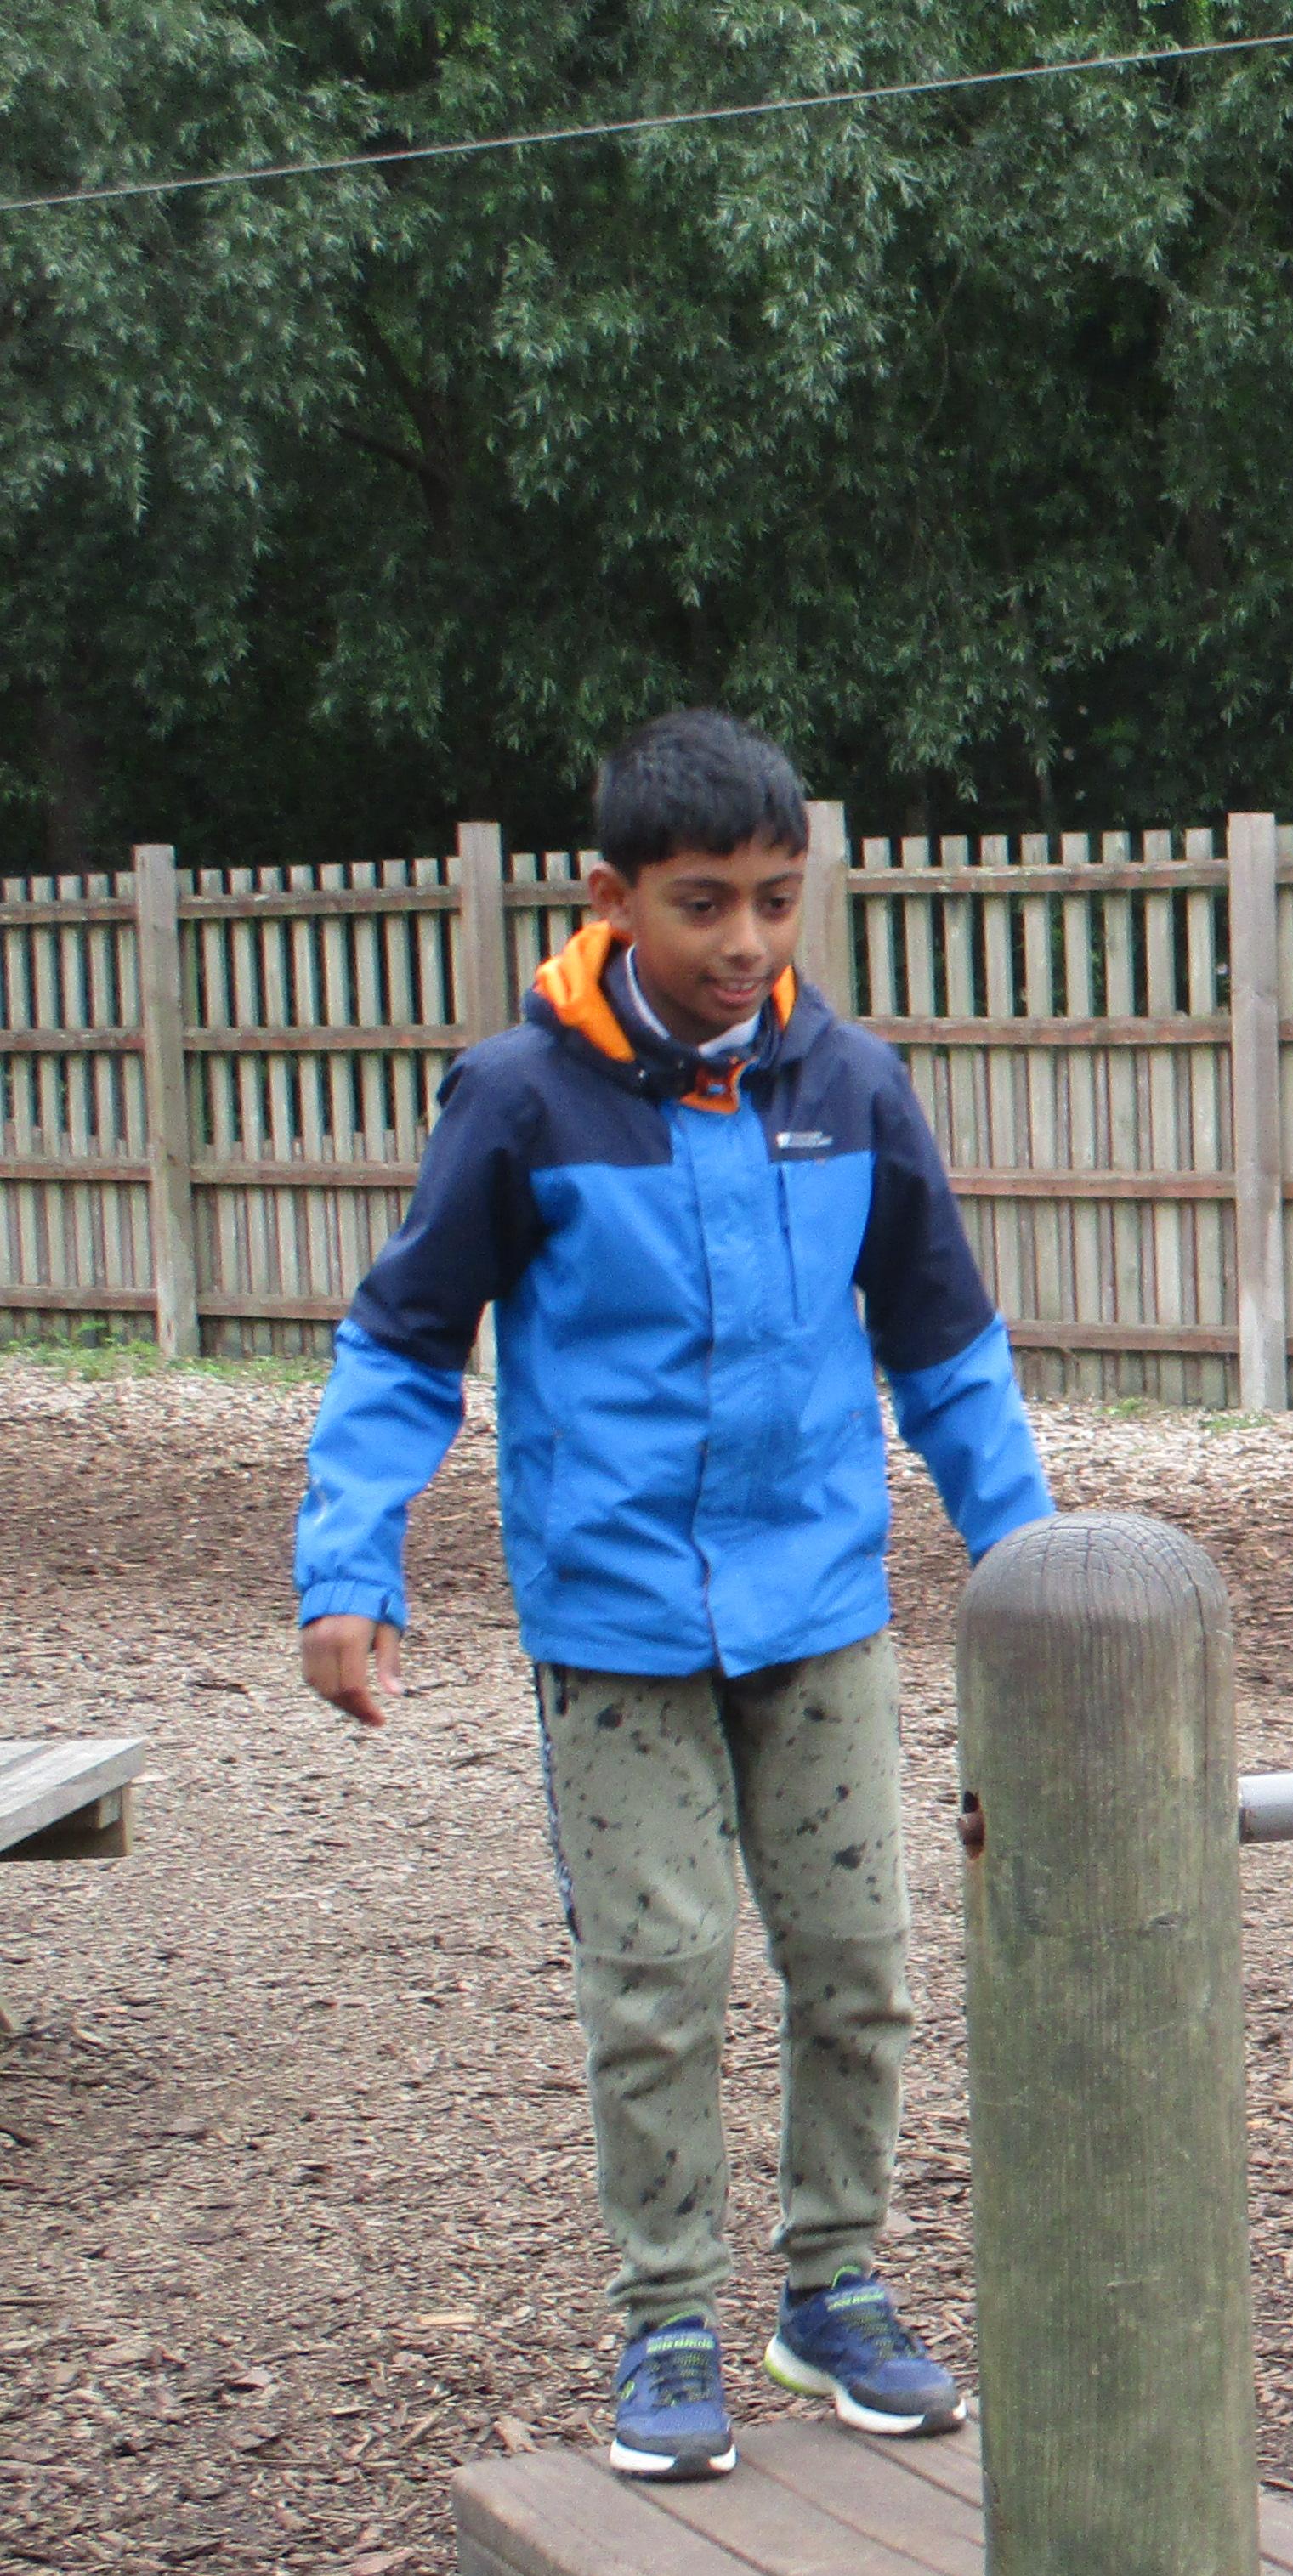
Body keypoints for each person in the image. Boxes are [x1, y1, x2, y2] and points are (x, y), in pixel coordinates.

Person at [292, 710, 1052, 2483]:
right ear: (610, 897)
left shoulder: (850, 1090)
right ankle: (668, 2320)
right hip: (617, 1621)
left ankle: (832, 2289)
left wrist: (1035, 1566)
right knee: (659, 1978)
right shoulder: (520, 1099)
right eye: (704, 903)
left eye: (778, 901)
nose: (745, 942)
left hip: (819, 1608)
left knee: (858, 1965)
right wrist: (349, 1567)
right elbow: (403, 1346)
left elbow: (945, 1347)